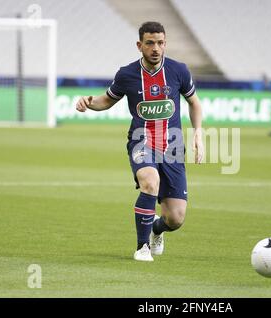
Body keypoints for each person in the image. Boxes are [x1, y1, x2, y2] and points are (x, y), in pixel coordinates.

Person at [76, 21, 204, 262]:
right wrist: (88, 102)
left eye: (160, 43)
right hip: (141, 141)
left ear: (165, 44)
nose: (156, 48)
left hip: (173, 147)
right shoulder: (127, 74)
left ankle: (156, 230)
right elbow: (106, 100)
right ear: (139, 45)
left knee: (175, 219)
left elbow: (194, 102)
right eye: (150, 43)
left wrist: (198, 132)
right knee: (150, 181)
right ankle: (142, 247)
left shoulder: (178, 71)